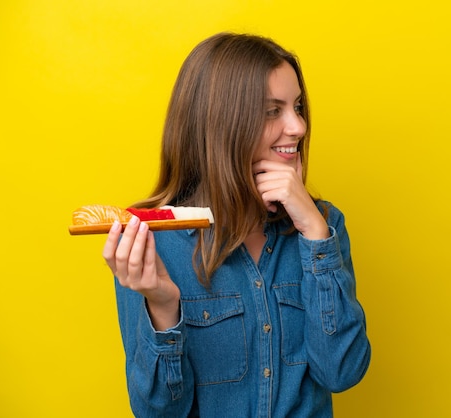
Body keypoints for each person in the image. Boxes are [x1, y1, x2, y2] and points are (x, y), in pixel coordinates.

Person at [102, 32, 371, 418]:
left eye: (297, 107)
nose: (298, 127)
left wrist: (314, 232)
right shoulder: (153, 240)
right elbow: (159, 412)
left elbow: (342, 372)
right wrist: (162, 306)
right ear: (221, 124)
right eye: (271, 110)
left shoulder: (324, 226)